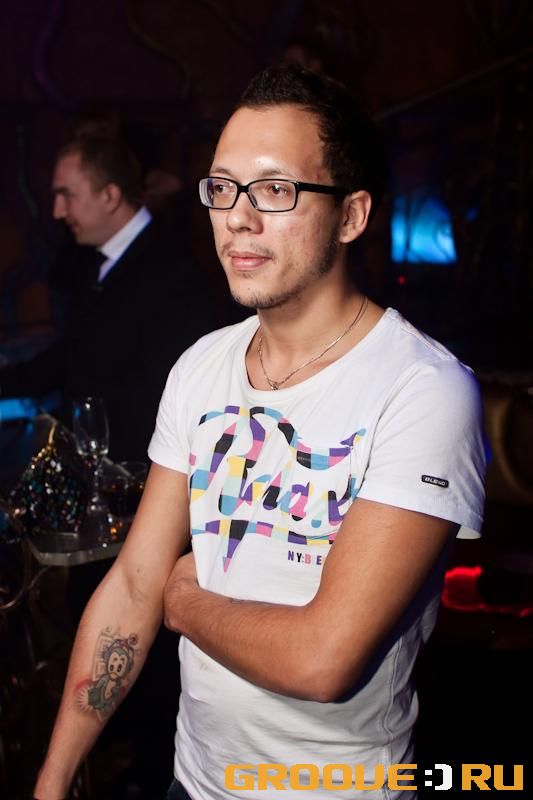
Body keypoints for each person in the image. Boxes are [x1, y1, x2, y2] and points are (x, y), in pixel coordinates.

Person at [34, 65, 486, 800]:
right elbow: (135, 583)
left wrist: (184, 600)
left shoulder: (422, 388)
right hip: (194, 781)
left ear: (351, 215)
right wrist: (53, 781)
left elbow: (322, 660)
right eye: (223, 188)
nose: (237, 218)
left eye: (275, 190)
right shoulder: (201, 367)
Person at [0, 129, 208, 463]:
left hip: (135, 476)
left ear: (110, 196)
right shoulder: (96, 259)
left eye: (67, 195)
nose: (57, 211)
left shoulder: (171, 271)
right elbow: (72, 353)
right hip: (93, 464)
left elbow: (167, 402)